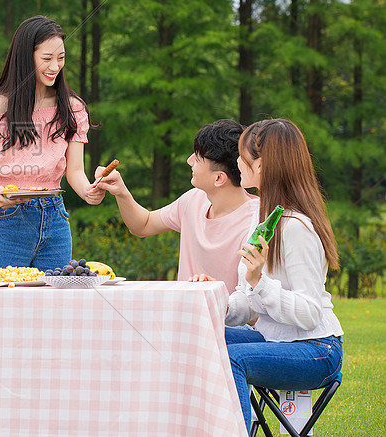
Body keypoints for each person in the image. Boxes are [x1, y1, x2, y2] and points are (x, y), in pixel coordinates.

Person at [191, 118, 343, 432]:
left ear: (262, 165)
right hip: (277, 338)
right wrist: (218, 298)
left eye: (243, 156)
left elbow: (310, 313)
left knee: (233, 359)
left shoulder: (296, 227)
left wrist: (260, 281)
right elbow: (247, 303)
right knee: (197, 336)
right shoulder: (262, 217)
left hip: (317, 350)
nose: (236, 161)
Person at [0, 15, 105, 271]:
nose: (55, 66)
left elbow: (75, 171)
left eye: (61, 58)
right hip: (7, 219)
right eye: (46, 59)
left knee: (54, 303)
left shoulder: (73, 108)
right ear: (25, 57)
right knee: (3, 299)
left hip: (55, 217)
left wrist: (88, 191)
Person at [93, 119, 258, 294]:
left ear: (218, 178)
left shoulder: (257, 221)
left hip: (230, 320)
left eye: (198, 158)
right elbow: (143, 225)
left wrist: (214, 292)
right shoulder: (194, 200)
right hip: (186, 316)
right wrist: (121, 192)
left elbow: (253, 302)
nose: (189, 161)